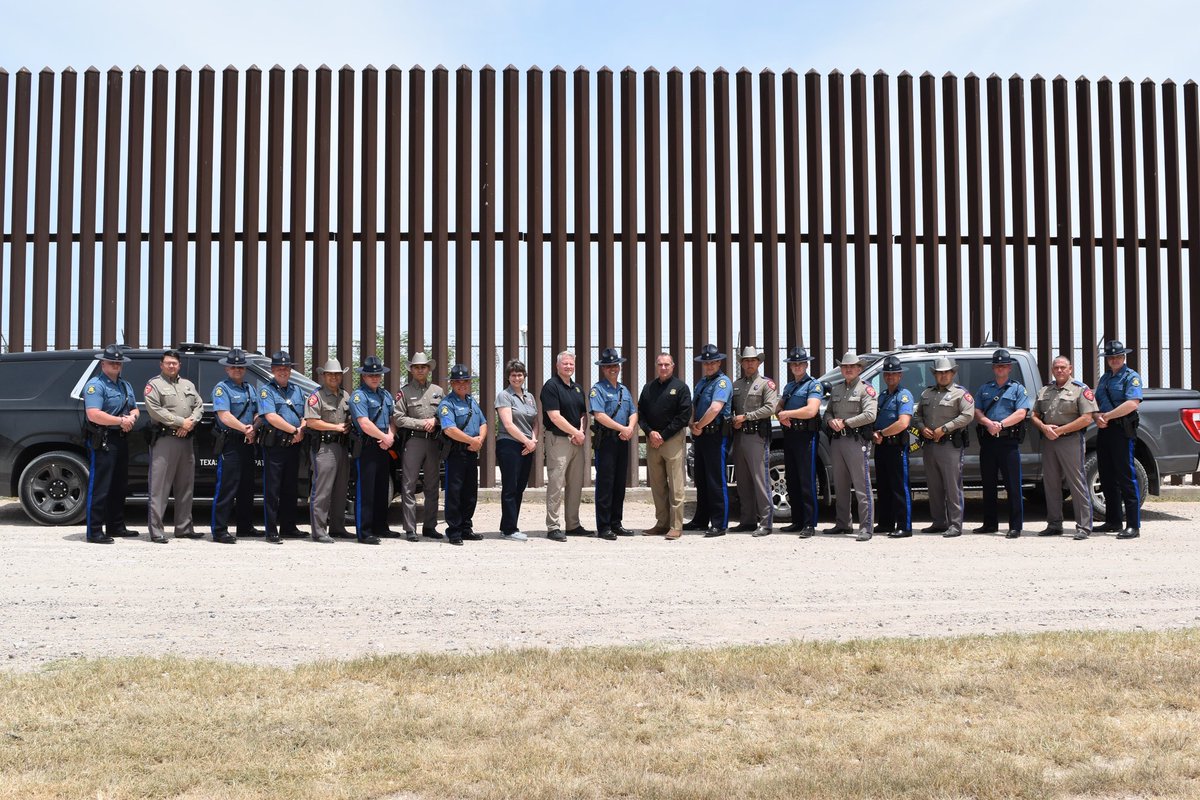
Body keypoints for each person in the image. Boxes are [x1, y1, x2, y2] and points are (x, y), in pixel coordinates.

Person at [1031, 355, 1098, 540]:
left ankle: (1084, 527)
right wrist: (1044, 427)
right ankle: (1054, 524)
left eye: (1063, 367)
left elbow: (1087, 417)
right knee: (1051, 484)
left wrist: (1060, 431)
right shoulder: (1045, 390)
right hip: (1049, 441)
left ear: (1070, 369)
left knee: (1076, 483)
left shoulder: (1080, 390)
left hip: (1070, 440)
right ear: (1053, 370)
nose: (1059, 370)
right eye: (1056, 367)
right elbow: (1034, 415)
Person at [143, 349, 204, 543]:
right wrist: (180, 422)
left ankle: (184, 528)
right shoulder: (154, 385)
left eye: (175, 363)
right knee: (159, 487)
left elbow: (199, 405)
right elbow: (155, 410)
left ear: (179, 365)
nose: (171, 366)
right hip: (165, 440)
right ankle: (157, 531)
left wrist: (190, 423)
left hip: (186, 439)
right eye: (168, 363)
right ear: (161, 365)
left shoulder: (188, 384)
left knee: (185, 486)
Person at [81, 344, 140, 544]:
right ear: (103, 363)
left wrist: (131, 418)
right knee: (100, 486)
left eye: (119, 362)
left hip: (121, 439)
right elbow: (94, 414)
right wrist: (120, 421)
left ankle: (116, 525)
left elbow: (134, 408)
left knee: (119, 485)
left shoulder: (125, 385)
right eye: (112, 362)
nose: (116, 365)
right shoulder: (95, 385)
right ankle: (94, 531)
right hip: (103, 439)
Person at [912, 356, 974, 538]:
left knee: (952, 486)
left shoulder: (960, 394)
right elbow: (918, 416)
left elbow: (968, 415)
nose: (943, 375)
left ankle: (955, 525)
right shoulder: (926, 394)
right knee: (934, 486)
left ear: (953, 373)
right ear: (935, 375)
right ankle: (939, 522)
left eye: (946, 372)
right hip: (930, 446)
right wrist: (922, 428)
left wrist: (945, 428)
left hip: (950, 445)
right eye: (939, 373)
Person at [973, 348, 1032, 538]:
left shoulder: (1017, 388)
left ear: (1009, 368)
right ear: (994, 368)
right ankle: (990, 524)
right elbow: (977, 411)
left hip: (1008, 442)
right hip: (988, 441)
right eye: (997, 365)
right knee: (988, 484)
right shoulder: (984, 388)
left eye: (1004, 365)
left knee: (1012, 485)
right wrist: (988, 423)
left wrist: (1001, 424)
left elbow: (1022, 413)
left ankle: (1015, 526)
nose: (1000, 368)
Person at [823, 351, 878, 541]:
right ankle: (843, 523)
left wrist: (845, 423)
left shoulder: (866, 390)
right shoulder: (837, 390)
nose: (848, 369)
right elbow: (827, 413)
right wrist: (831, 422)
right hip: (838, 441)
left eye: (852, 367)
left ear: (859, 368)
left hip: (856, 442)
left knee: (862, 485)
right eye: (845, 367)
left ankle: (866, 527)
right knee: (840, 484)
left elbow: (870, 415)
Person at [637, 352, 692, 540]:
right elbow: (641, 414)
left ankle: (676, 526)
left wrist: (664, 434)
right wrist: (650, 432)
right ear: (656, 366)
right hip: (653, 440)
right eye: (660, 364)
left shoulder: (681, 388)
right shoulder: (648, 388)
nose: (663, 368)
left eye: (666, 364)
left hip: (672, 440)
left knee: (676, 485)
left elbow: (684, 416)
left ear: (673, 366)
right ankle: (661, 523)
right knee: (658, 485)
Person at [1094, 339, 1143, 539]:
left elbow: (1132, 403)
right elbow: (1096, 401)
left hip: (1122, 431)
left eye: (1117, 356)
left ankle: (1133, 525)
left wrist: (1107, 416)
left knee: (1126, 476)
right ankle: (1113, 520)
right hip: (1104, 429)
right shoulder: (1105, 378)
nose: (1114, 360)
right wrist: (1097, 416)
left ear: (1123, 357)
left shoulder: (1131, 377)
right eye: (1110, 357)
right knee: (1106, 477)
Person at [257, 350, 308, 544]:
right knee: (273, 489)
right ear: (272, 370)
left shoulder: (297, 390)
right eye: (279, 368)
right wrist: (294, 431)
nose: (283, 371)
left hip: (295, 444)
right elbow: (271, 416)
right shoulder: (266, 390)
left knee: (290, 487)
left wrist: (301, 429)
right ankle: (271, 530)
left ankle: (289, 526)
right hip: (276, 444)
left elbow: (305, 414)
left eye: (286, 368)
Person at [210, 348, 259, 544]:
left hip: (248, 442)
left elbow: (257, 412)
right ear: (227, 369)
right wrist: (245, 429)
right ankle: (220, 530)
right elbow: (224, 415)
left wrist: (254, 427)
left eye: (241, 367)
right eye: (233, 367)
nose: (237, 370)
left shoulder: (250, 388)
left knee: (247, 487)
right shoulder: (222, 388)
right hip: (230, 442)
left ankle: (245, 526)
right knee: (227, 487)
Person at [393, 352, 444, 542]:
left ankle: (430, 526)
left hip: (433, 442)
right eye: (416, 367)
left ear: (428, 369)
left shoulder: (438, 391)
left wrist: (435, 420)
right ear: (412, 370)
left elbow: (445, 413)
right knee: (409, 485)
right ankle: (410, 528)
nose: (420, 370)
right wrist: (421, 424)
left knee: (432, 486)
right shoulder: (404, 392)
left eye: (423, 367)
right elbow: (398, 417)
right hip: (413, 441)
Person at [684, 343, 733, 538]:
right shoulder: (702, 382)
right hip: (701, 434)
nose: (709, 366)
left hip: (715, 435)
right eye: (706, 363)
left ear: (719, 362)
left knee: (715, 480)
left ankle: (719, 523)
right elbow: (696, 406)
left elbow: (715, 408)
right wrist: (693, 425)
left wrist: (699, 425)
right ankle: (700, 519)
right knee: (701, 479)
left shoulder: (722, 382)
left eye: (712, 362)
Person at [730, 346, 780, 536]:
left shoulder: (767, 384)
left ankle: (766, 522)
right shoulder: (736, 385)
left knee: (760, 480)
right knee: (742, 481)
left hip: (757, 436)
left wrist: (747, 417)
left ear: (759, 362)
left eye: (753, 360)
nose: (749, 363)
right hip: (739, 436)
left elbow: (770, 408)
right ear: (741, 363)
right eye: (746, 360)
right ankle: (747, 520)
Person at [589, 347, 639, 540]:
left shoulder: (624, 390)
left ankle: (616, 523)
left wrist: (630, 428)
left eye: (615, 365)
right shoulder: (598, 390)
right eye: (608, 366)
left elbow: (633, 412)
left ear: (619, 367)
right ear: (603, 369)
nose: (612, 369)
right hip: (607, 441)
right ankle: (603, 526)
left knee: (619, 483)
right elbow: (599, 415)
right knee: (605, 483)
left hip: (622, 440)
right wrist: (622, 428)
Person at [775, 346, 825, 537]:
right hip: (790, 436)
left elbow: (811, 411)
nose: (796, 366)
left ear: (806, 364)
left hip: (806, 437)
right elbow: (778, 406)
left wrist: (787, 413)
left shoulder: (813, 385)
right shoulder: (789, 387)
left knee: (806, 480)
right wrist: (780, 414)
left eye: (800, 363)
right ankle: (797, 520)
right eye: (793, 364)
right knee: (792, 480)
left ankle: (809, 523)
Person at [541, 351, 590, 542]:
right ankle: (553, 526)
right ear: (557, 366)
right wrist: (575, 432)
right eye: (565, 364)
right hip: (558, 440)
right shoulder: (551, 386)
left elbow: (583, 414)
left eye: (571, 364)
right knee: (556, 483)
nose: (568, 367)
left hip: (577, 441)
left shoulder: (577, 388)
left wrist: (581, 432)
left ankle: (573, 524)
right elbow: (554, 416)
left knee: (575, 484)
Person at [304, 358, 354, 543]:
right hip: (324, 447)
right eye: (330, 374)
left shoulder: (345, 396)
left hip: (341, 446)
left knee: (341, 490)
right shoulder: (316, 397)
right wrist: (337, 428)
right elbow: (311, 422)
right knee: (322, 490)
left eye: (337, 374)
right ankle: (318, 531)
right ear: (324, 376)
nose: (334, 377)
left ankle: (338, 528)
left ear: (341, 376)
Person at [438, 364, 488, 546]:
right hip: (456, 452)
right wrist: (471, 441)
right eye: (458, 381)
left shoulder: (471, 401)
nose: (462, 384)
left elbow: (483, 422)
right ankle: (454, 531)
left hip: (472, 452)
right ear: (451, 383)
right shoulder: (447, 404)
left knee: (470, 493)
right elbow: (449, 429)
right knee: (454, 492)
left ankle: (466, 527)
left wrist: (479, 440)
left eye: (465, 381)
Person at [350, 355, 396, 546]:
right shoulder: (358, 396)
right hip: (369, 446)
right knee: (366, 490)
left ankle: (381, 526)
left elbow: (393, 419)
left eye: (377, 374)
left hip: (385, 446)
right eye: (370, 375)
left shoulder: (385, 395)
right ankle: (365, 531)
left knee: (381, 488)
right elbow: (364, 423)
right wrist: (384, 437)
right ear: (364, 376)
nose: (375, 378)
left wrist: (391, 436)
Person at [495, 359, 539, 542]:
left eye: (520, 374)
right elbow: (508, 424)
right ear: (508, 377)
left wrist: (533, 440)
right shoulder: (504, 396)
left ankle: (509, 525)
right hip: (510, 445)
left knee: (520, 487)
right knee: (510, 487)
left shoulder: (529, 397)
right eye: (513, 375)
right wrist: (527, 441)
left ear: (524, 376)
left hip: (527, 445)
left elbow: (535, 421)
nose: (517, 378)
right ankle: (509, 529)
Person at [872, 356, 915, 538]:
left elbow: (903, 423)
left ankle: (904, 526)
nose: (890, 377)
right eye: (887, 374)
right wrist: (874, 433)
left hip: (896, 447)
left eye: (893, 374)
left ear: (900, 375)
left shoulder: (904, 396)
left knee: (899, 487)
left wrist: (881, 434)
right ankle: (885, 523)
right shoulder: (882, 396)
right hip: (881, 447)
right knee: (883, 487)